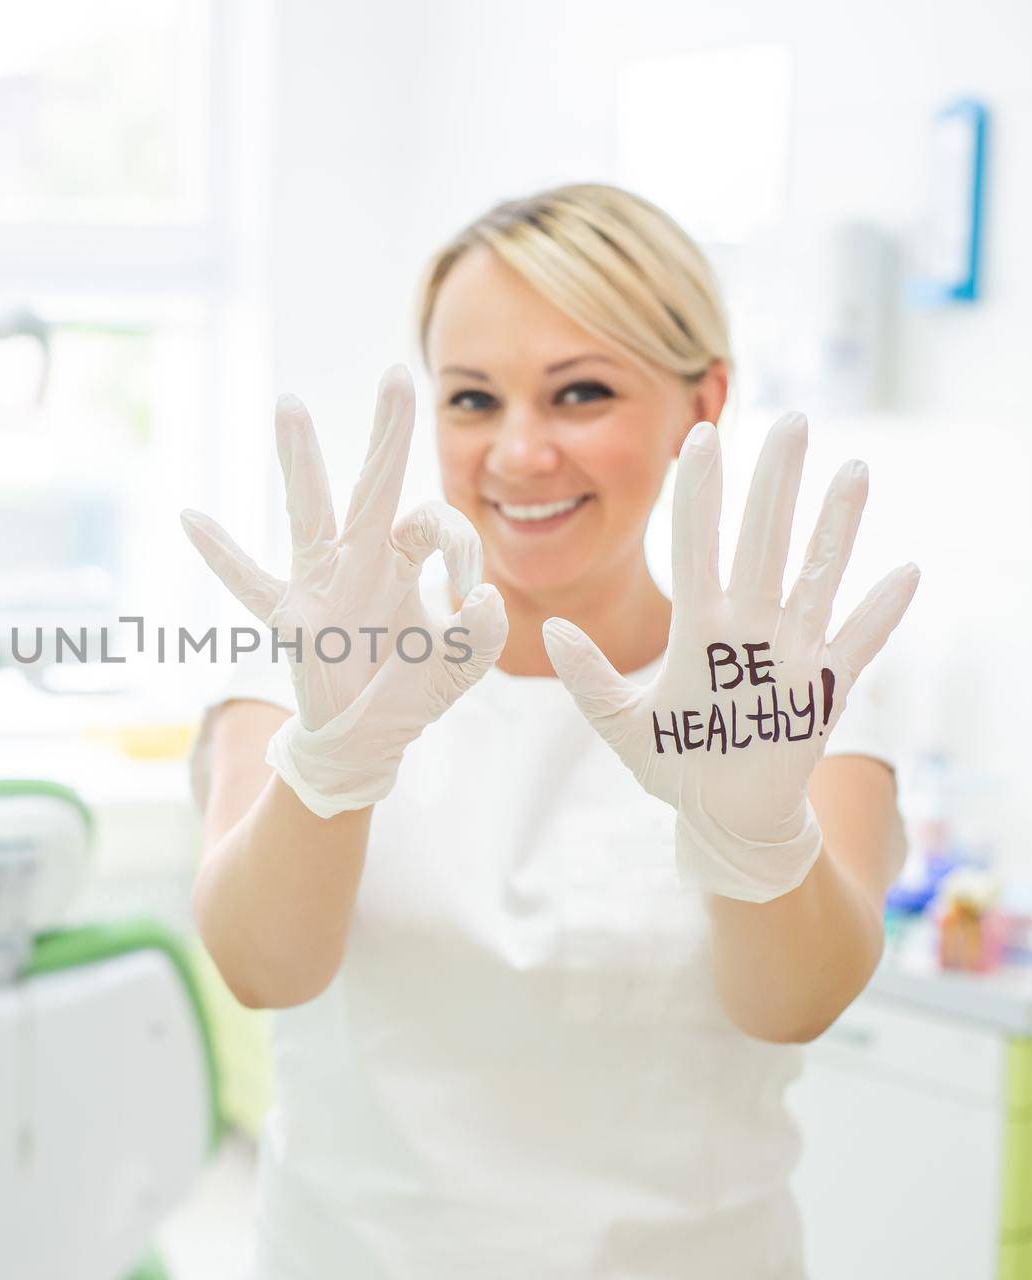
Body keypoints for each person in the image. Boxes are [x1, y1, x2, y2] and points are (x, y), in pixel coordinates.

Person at [180, 183, 920, 1278]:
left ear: (701, 402)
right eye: (472, 399)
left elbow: (792, 1004)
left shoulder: (786, 689)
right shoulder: (321, 674)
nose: (520, 454)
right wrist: (330, 764)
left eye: (580, 392)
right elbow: (263, 968)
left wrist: (755, 840)